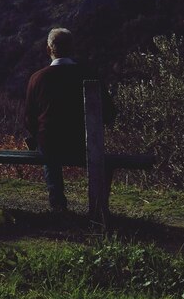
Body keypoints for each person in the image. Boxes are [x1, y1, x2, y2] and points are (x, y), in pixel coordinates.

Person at [24, 28, 115, 212]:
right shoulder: (89, 73)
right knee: (105, 160)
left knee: (47, 146)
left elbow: (29, 118)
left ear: (48, 50)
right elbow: (109, 112)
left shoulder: (37, 79)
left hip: (51, 144)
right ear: (73, 48)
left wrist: (36, 135)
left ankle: (57, 203)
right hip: (83, 142)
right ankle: (98, 205)